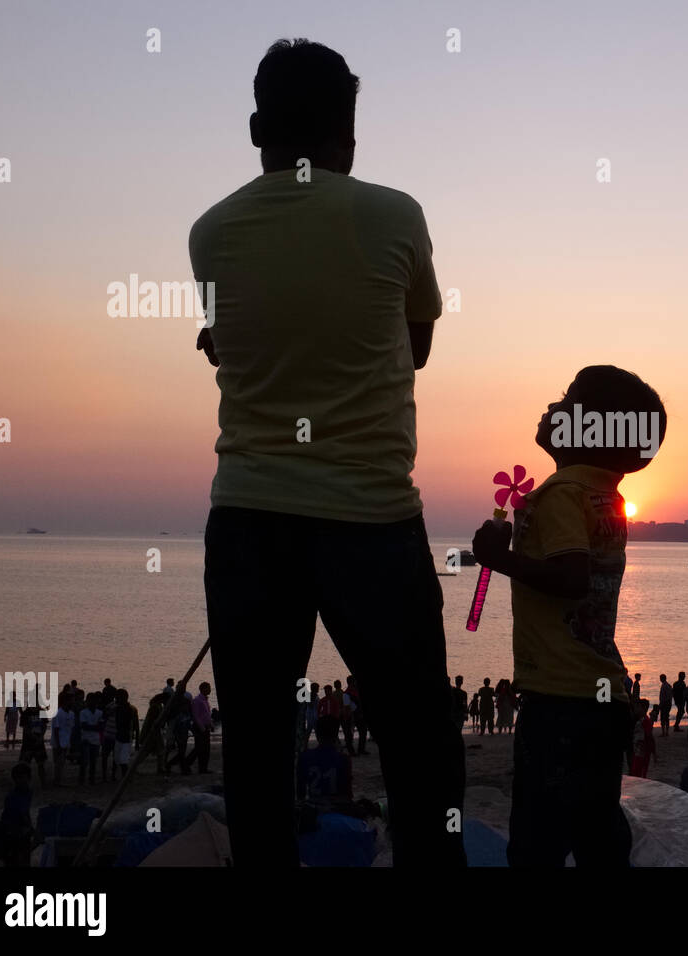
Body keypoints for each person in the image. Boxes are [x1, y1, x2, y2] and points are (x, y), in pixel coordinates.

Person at [192, 38, 463, 866]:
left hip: (248, 521)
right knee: (420, 745)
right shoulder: (395, 216)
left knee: (256, 751)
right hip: (371, 521)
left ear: (253, 130)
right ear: (351, 135)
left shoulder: (210, 233)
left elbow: (246, 339)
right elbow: (414, 345)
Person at [471, 364, 666, 866]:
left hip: (558, 702)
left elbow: (571, 579)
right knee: (597, 831)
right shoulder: (606, 499)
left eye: (565, 401)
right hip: (600, 698)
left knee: (537, 841)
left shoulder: (559, 494)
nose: (551, 407)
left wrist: (500, 559)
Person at [296, 715, 353, 809]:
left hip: (314, 808)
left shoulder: (304, 757)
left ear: (317, 735)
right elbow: (347, 795)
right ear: (335, 736)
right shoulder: (343, 759)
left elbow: (300, 794)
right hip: (336, 809)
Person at [0, 763, 35, 867]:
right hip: (10, 828)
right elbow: (21, 814)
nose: (21, 781)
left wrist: (30, 827)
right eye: (19, 778)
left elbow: (25, 813)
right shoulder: (14, 795)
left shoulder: (27, 792)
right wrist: (31, 829)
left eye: (23, 778)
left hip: (17, 827)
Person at [182, 682, 213, 774]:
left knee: (206, 749)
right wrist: (202, 727)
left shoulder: (205, 700)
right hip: (199, 728)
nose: (210, 690)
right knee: (199, 748)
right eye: (208, 688)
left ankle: (203, 768)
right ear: (202, 689)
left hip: (206, 727)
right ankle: (186, 764)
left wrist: (211, 725)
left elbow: (207, 714)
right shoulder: (197, 700)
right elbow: (196, 716)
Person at [78, 693, 104, 786]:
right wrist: (95, 727)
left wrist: (92, 727)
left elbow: (100, 727)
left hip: (95, 739)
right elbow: (84, 726)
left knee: (93, 761)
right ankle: (82, 780)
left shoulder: (99, 712)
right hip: (86, 739)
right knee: (85, 761)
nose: (92, 702)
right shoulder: (83, 712)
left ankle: (91, 779)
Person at [51, 690, 75, 785]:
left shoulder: (71, 714)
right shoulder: (58, 713)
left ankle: (58, 780)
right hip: (58, 743)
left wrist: (70, 743)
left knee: (62, 762)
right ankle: (57, 780)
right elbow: (56, 730)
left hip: (66, 742)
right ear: (66, 701)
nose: (73, 702)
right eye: (71, 701)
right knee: (58, 762)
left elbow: (70, 729)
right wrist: (58, 744)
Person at [113, 689, 139, 779]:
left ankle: (126, 778)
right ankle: (122, 777)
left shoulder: (130, 710)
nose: (115, 699)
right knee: (117, 759)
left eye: (117, 697)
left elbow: (135, 725)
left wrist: (137, 741)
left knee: (123, 761)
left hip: (126, 739)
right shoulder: (117, 709)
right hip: (118, 737)